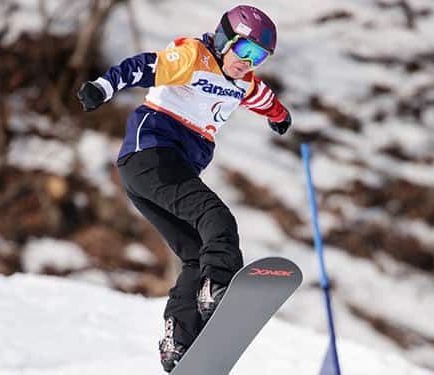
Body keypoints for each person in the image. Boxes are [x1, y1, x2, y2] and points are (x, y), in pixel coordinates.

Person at [76, 5, 291, 372]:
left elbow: (263, 98)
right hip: (153, 154)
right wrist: (103, 86)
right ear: (226, 40)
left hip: (155, 174)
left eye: (259, 57)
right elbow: (145, 66)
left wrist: (280, 115)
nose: (248, 62)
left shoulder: (244, 83)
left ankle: (179, 341)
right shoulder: (194, 57)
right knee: (216, 218)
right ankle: (218, 285)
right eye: (246, 51)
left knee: (195, 252)